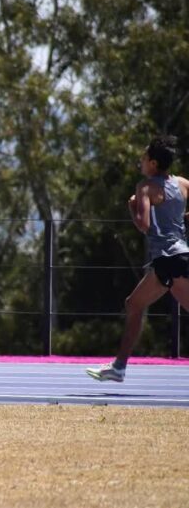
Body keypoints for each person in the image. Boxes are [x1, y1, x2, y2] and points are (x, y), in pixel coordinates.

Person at [87, 135, 186, 382]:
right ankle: (119, 366)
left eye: (143, 158)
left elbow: (143, 224)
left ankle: (119, 367)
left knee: (134, 305)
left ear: (153, 163)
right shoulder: (183, 183)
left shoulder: (145, 187)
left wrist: (132, 207)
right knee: (133, 304)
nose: (140, 162)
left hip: (168, 259)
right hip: (176, 256)